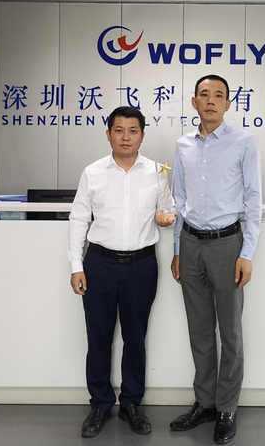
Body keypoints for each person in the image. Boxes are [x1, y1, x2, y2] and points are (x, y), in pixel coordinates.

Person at [68, 106, 175, 438]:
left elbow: (168, 208)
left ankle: (131, 403)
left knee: (135, 339)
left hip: (141, 266)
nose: (125, 137)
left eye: (132, 131)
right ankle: (100, 404)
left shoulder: (157, 172)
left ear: (142, 135)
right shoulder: (93, 173)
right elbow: (78, 219)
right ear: (108, 134)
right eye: (119, 130)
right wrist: (76, 266)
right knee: (98, 338)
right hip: (99, 264)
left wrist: (166, 217)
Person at [169, 75, 262, 445]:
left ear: (227, 104)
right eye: (204, 95)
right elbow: (178, 199)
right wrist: (178, 249)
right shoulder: (183, 145)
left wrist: (247, 253)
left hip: (227, 245)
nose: (211, 101)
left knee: (231, 332)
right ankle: (205, 402)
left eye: (218, 95)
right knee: (200, 329)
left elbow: (253, 199)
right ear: (194, 102)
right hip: (191, 244)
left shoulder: (244, 142)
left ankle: (226, 408)